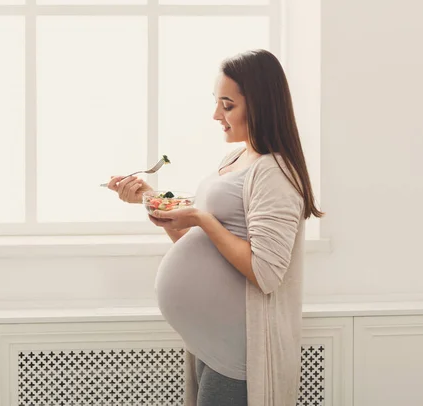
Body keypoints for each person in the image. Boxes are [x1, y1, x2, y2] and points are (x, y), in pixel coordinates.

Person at [106, 49, 323, 406]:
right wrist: (152, 200)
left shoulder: (275, 172)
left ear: (261, 105)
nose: (216, 115)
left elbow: (265, 272)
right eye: (216, 103)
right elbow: (205, 246)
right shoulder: (236, 158)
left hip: (238, 354)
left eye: (227, 105)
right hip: (211, 344)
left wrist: (200, 218)